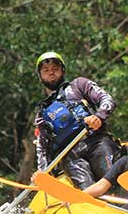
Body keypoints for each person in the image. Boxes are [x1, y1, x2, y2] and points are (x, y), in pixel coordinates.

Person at [33, 51, 119, 189]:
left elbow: (106, 99)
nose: (51, 73)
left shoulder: (79, 85)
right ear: (40, 76)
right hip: (71, 156)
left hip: (96, 141)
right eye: (46, 70)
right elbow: (42, 147)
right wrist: (43, 171)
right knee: (85, 188)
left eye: (55, 69)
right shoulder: (42, 114)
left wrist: (99, 116)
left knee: (110, 176)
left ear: (63, 70)